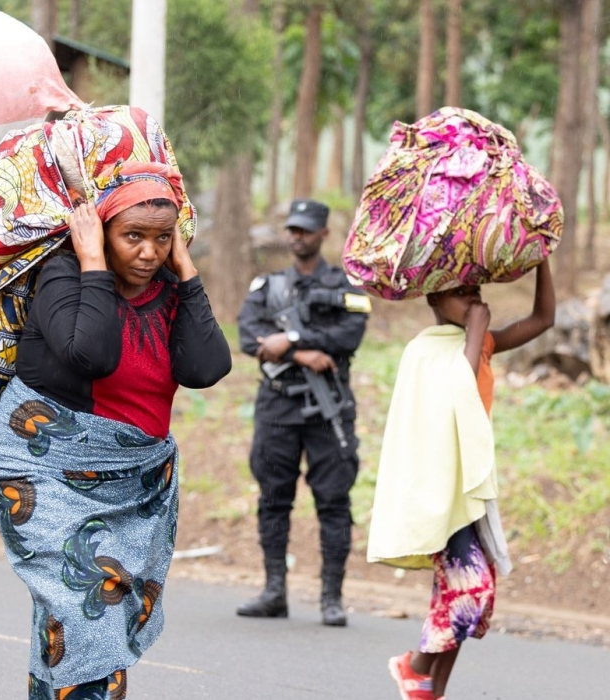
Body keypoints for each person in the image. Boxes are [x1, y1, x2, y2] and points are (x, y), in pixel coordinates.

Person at [0, 161, 232, 698]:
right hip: (40, 466)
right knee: (88, 599)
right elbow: (90, 352)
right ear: (101, 230)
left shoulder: (168, 289)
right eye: (132, 236)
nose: (148, 252)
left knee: (83, 613)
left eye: (163, 239)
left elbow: (205, 368)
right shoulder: (63, 274)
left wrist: (186, 272)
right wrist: (91, 259)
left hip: (131, 480)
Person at [374, 261, 553, 700]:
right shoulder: (424, 350)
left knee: (455, 596)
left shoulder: (483, 344)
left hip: (469, 493)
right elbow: (460, 393)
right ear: (435, 299)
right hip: (438, 494)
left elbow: (543, 319)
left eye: (477, 289)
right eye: (462, 292)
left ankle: (431, 690)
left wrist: (542, 258)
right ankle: (413, 665)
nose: (474, 297)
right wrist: (476, 329)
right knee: (472, 591)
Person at [236, 198, 370, 626]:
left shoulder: (347, 285)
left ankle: (332, 598)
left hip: (328, 407)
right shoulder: (267, 287)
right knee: (274, 498)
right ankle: (274, 591)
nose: (298, 236)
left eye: (306, 230)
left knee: (334, 500)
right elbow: (249, 337)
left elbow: (350, 334)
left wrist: (291, 338)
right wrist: (305, 354)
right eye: (293, 229)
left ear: (324, 234)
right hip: (278, 403)